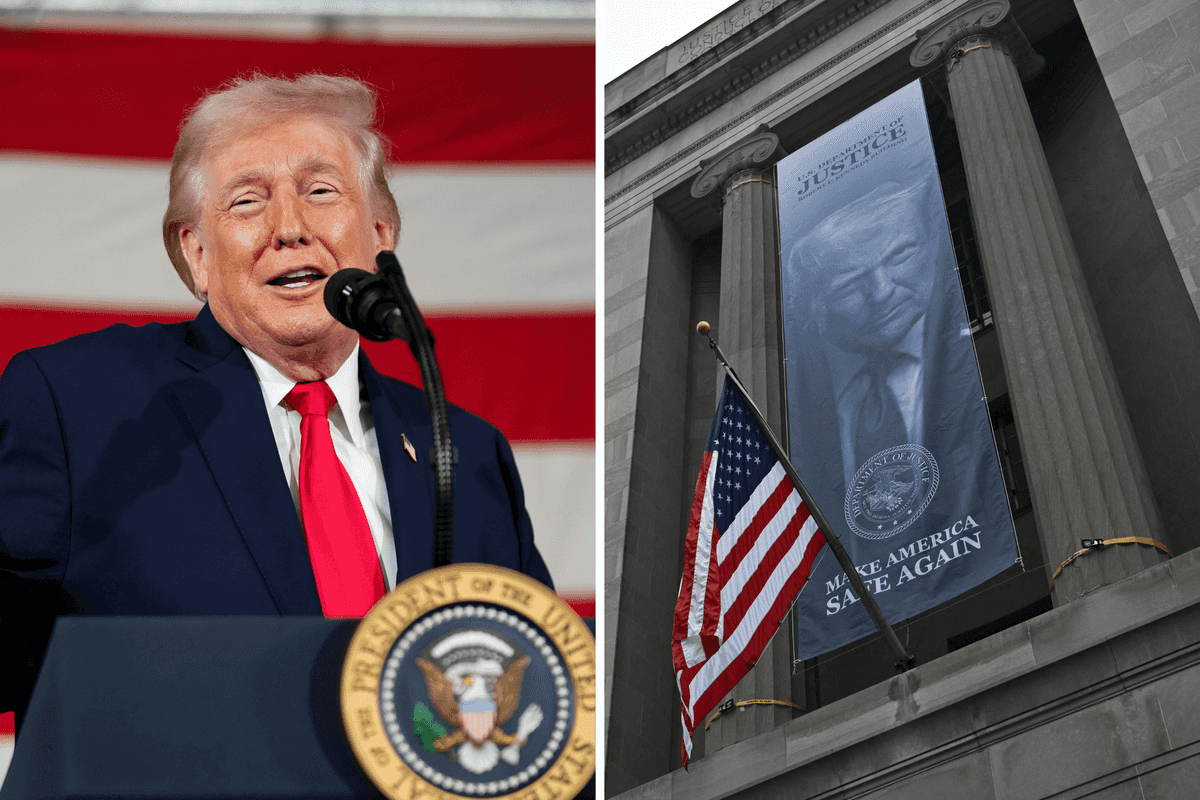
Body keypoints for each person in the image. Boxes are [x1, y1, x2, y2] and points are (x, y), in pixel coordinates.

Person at [0, 74, 552, 727]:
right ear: (198, 254)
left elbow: (542, 705)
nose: (290, 227)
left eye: (321, 191)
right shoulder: (79, 404)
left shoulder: (466, 450)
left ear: (380, 234)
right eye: (246, 201)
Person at [785, 178, 946, 489]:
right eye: (848, 284)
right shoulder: (797, 392)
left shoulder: (959, 343)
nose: (881, 292)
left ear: (932, 245)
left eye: (900, 255)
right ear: (810, 308)